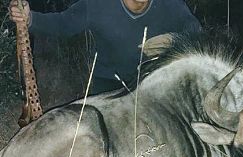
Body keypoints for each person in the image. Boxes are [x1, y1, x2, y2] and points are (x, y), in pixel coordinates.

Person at [9, 0, 201, 94]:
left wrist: (174, 40)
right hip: (108, 85)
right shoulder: (97, 4)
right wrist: (30, 18)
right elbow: (63, 23)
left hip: (152, 83)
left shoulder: (170, 5)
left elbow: (196, 32)